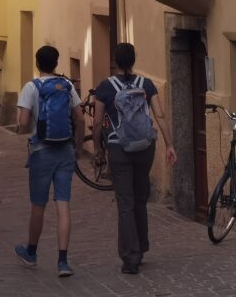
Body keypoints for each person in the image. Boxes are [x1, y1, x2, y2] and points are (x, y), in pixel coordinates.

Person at [93, 42, 177, 274]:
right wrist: (170, 144)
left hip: (119, 149)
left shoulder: (105, 87)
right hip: (145, 148)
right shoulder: (146, 85)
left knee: (126, 203)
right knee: (140, 198)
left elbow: (98, 122)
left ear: (116, 61)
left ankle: (131, 257)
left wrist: (98, 150)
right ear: (133, 60)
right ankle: (142, 246)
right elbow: (159, 114)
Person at [13, 45, 84, 276]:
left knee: (38, 205)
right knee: (63, 205)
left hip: (41, 151)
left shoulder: (30, 88)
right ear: (56, 63)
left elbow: (23, 123)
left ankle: (31, 253)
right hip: (65, 150)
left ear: (37, 63)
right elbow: (80, 118)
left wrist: (21, 126)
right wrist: (79, 146)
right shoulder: (67, 85)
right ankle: (63, 261)